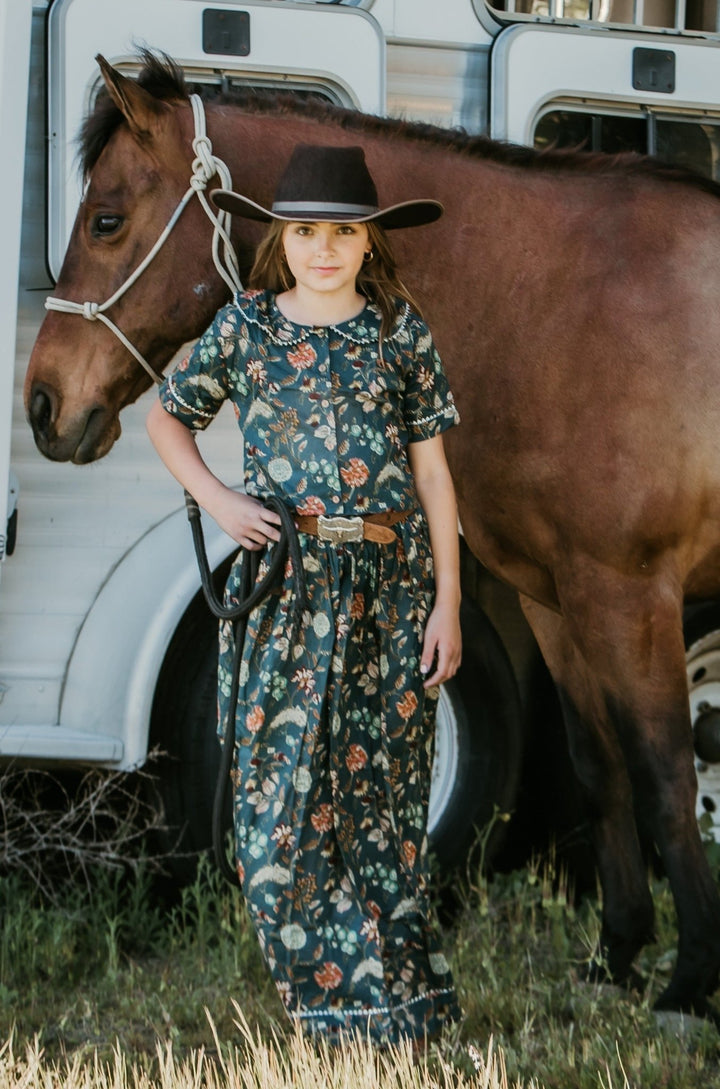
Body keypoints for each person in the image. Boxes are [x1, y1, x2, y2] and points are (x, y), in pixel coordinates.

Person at [146, 144, 463, 1047]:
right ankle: (325, 1007)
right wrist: (220, 499)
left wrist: (447, 600)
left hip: (388, 594)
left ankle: (399, 1012)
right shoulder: (248, 330)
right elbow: (168, 413)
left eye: (344, 232)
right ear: (282, 240)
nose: (324, 248)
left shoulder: (399, 333)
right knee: (279, 807)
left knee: (385, 807)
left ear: (370, 244)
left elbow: (435, 477)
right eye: (307, 231)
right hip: (287, 593)